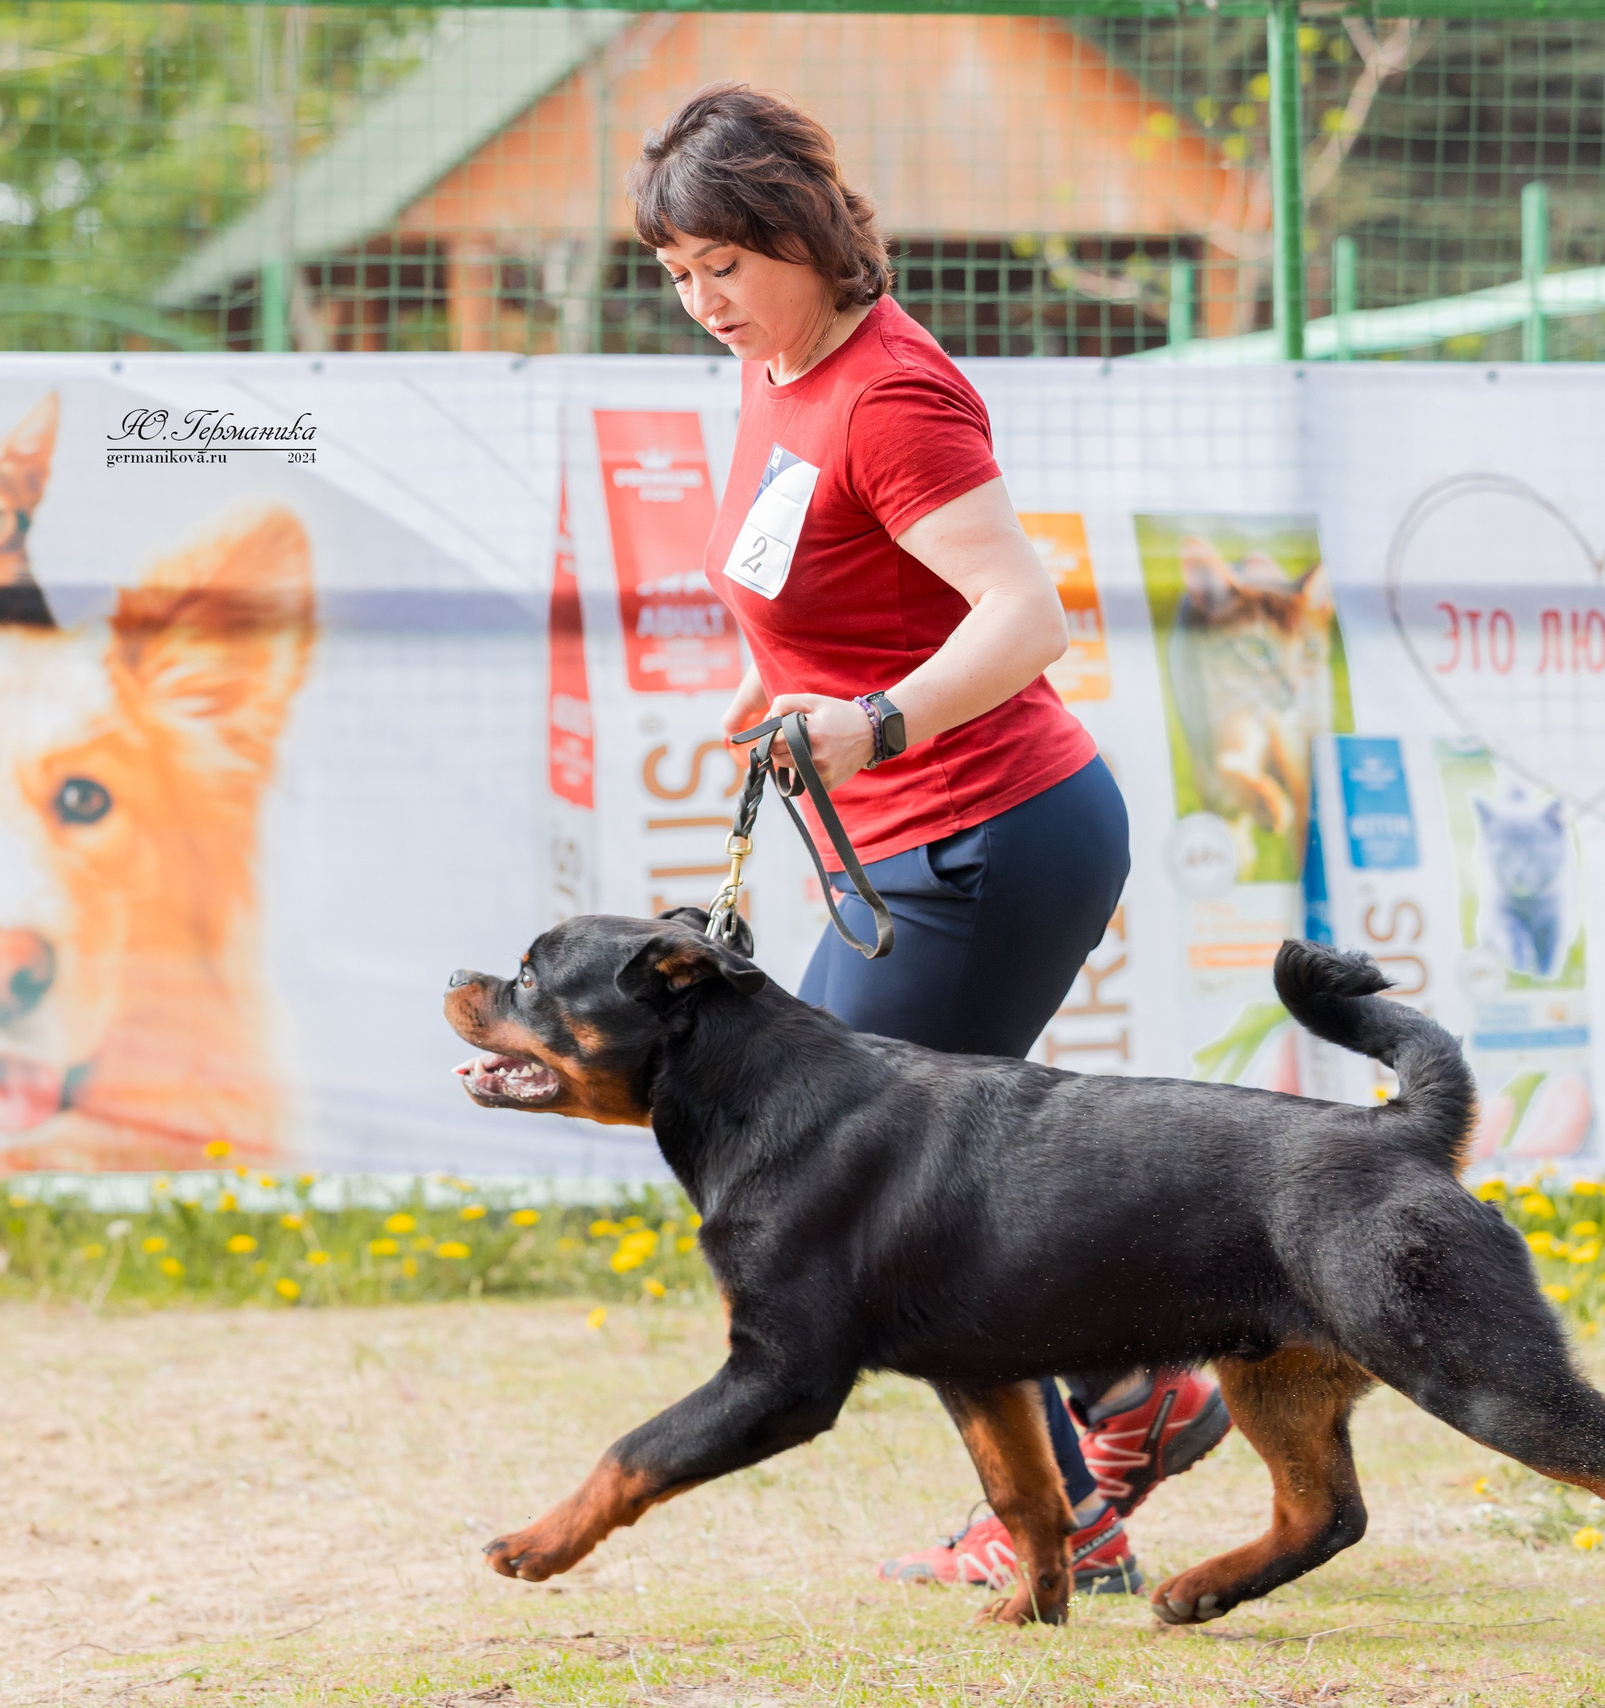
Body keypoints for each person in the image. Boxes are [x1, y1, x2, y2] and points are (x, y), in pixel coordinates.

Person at [627, 82, 1228, 1595]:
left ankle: (1080, 1490)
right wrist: (794, 694)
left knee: (861, 1183)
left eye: (728, 267)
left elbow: (1024, 619)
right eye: (680, 273)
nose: (705, 302)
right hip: (901, 843)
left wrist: (878, 722)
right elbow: (838, 582)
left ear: (810, 236)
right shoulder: (777, 369)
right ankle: (1134, 1395)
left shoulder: (890, 391)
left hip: (994, 836)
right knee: (889, 1178)